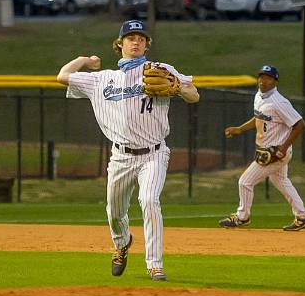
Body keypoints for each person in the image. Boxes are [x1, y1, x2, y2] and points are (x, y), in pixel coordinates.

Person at [56, 19, 200, 281]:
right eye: (131, 38)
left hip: (154, 153)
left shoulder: (160, 70)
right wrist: (84, 60)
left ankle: (154, 264)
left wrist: (179, 88)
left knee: (149, 200)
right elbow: (62, 76)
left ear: (146, 44)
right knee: (114, 211)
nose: (136, 42)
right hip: (121, 156)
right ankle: (122, 244)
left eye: (141, 38)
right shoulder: (102, 79)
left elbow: (194, 95)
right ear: (120, 43)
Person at [218, 65, 305, 231]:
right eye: (261, 77)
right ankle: (303, 216)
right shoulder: (259, 96)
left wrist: (283, 148)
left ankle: (242, 217)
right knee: (281, 181)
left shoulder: (279, 102)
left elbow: (300, 124)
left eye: (268, 78)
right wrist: (240, 129)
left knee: (245, 182)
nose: (263, 81)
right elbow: (258, 117)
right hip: (267, 150)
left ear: (275, 81)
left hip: (275, 152)